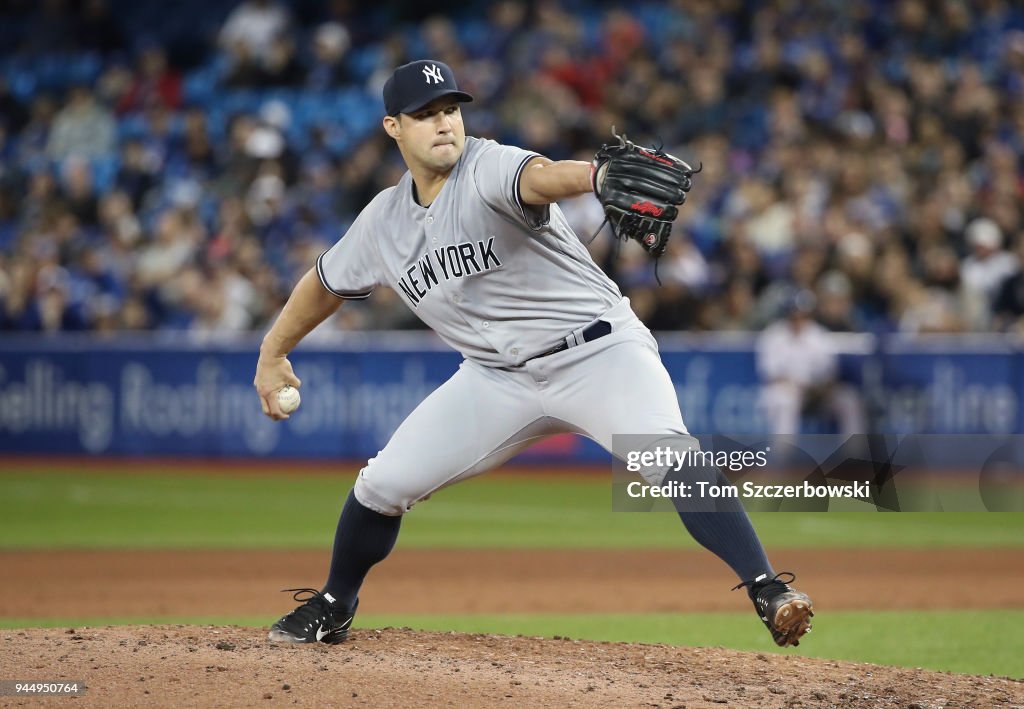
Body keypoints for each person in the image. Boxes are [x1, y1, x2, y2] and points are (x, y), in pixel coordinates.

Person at [253, 60, 813, 648]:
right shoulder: (382, 223)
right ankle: (335, 602)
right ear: (394, 128)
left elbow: (541, 177)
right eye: (425, 115)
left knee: (670, 456)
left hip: (599, 354)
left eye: (450, 110)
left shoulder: (487, 165)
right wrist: (273, 352)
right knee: (382, 484)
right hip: (496, 381)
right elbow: (325, 282)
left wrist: (597, 178)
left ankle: (768, 589)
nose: (444, 124)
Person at [756, 289, 866, 435]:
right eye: (794, 312)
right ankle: (782, 456)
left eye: (803, 313)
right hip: (787, 391)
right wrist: (797, 386)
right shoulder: (774, 335)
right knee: (785, 401)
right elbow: (771, 374)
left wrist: (820, 389)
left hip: (815, 393)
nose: (798, 317)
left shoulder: (819, 336)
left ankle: (854, 455)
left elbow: (830, 374)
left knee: (849, 400)